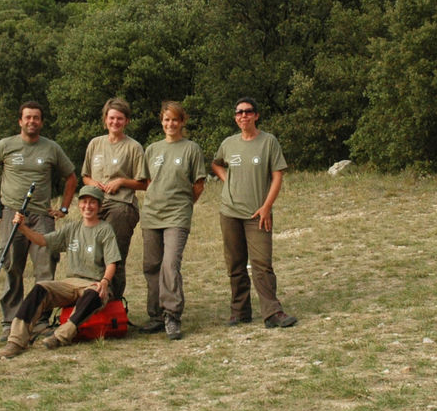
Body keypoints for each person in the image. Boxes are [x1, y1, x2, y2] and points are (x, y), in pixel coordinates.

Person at [0, 101, 77, 341]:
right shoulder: (5, 146)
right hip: (12, 214)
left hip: (41, 215)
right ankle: (10, 322)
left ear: (41, 122)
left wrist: (63, 207)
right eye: (28, 118)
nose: (32, 121)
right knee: (12, 266)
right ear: (20, 121)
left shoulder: (51, 148)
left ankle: (40, 321)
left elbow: (71, 177)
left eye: (36, 118)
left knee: (45, 268)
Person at [0, 185, 122, 358]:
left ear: (99, 207)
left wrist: (105, 282)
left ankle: (60, 336)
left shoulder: (105, 230)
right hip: (70, 283)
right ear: (79, 205)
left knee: (94, 295)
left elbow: (112, 262)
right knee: (39, 289)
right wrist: (23, 228)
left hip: (93, 283)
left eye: (93, 203)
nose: (88, 206)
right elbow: (42, 241)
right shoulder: (71, 228)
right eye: (84, 202)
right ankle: (16, 341)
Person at [211, 97, 297, 329]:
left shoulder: (268, 142)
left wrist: (267, 206)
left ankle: (272, 312)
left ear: (256, 115)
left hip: (257, 213)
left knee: (262, 263)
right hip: (229, 212)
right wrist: (227, 179)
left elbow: (278, 174)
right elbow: (216, 163)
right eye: (239, 113)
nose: (243, 116)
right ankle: (239, 311)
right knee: (235, 264)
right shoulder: (229, 143)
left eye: (248, 112)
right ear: (235, 117)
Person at [138, 101, 207, 341]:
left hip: (177, 216)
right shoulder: (152, 149)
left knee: (170, 264)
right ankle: (156, 315)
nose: (170, 124)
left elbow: (198, 185)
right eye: (166, 119)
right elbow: (147, 182)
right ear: (161, 121)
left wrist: (185, 205)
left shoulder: (191, 149)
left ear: (182, 122)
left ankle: (172, 315)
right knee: (151, 266)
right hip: (151, 215)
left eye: (175, 119)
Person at [80, 97, 149, 300]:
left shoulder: (134, 147)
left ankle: (114, 303)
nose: (115, 122)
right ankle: (91, 300)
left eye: (120, 119)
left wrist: (121, 182)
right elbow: (85, 176)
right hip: (95, 205)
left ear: (126, 121)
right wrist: (93, 185)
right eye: (111, 118)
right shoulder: (95, 144)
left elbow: (143, 183)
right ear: (105, 120)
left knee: (114, 256)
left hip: (121, 206)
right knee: (91, 254)